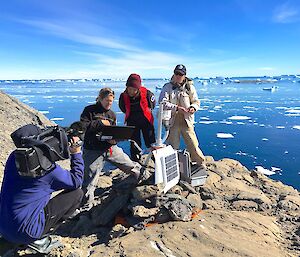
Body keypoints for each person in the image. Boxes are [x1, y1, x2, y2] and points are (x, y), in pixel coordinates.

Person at [0, 124, 83, 252]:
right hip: (26, 232)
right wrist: (76, 153)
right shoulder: (48, 170)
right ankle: (39, 239)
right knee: (76, 194)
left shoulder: (13, 158)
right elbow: (76, 180)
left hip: (4, 227)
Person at [80, 87, 144, 203]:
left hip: (109, 148)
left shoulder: (112, 114)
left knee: (132, 167)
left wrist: (115, 140)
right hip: (93, 150)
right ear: (100, 99)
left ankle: (141, 185)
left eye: (111, 101)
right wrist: (99, 123)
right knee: (90, 181)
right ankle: (86, 207)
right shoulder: (89, 111)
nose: (109, 104)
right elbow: (83, 126)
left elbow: (113, 131)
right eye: (107, 101)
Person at [159, 64, 206, 168]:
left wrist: (193, 107)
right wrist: (176, 108)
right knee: (172, 146)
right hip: (173, 121)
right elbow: (162, 102)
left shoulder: (190, 87)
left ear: (184, 75)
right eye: (177, 73)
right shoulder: (168, 87)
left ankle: (200, 164)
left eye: (181, 74)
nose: (178, 76)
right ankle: (171, 166)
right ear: (174, 74)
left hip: (186, 121)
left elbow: (196, 101)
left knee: (193, 144)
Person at [119, 73, 156, 161]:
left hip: (146, 120)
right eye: (129, 89)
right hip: (132, 121)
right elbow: (123, 107)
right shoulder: (123, 96)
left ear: (138, 88)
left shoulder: (147, 93)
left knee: (151, 142)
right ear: (126, 87)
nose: (131, 91)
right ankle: (135, 161)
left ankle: (155, 159)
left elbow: (153, 105)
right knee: (134, 143)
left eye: (134, 89)